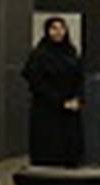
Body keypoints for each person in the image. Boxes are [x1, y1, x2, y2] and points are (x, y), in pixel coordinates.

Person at [22, 16, 83, 166]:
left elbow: (79, 78)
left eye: (61, 28)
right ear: (47, 31)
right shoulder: (39, 54)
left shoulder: (71, 52)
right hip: (47, 111)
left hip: (70, 111)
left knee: (70, 151)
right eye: (54, 28)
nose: (58, 32)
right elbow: (36, 83)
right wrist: (60, 101)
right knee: (48, 152)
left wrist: (78, 99)